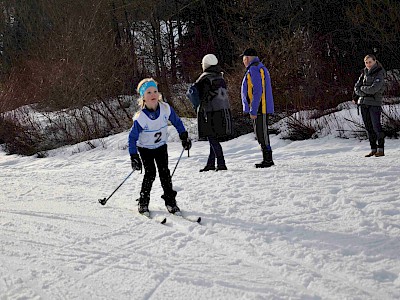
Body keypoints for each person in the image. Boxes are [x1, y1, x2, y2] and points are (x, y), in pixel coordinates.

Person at [128, 78, 192, 217]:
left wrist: (184, 136)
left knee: (165, 174)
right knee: (150, 174)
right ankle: (143, 202)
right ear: (143, 97)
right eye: (149, 92)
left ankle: (170, 202)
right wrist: (134, 156)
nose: (153, 95)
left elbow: (177, 121)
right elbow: (132, 138)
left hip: (161, 147)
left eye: (155, 91)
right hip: (145, 149)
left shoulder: (165, 108)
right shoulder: (141, 117)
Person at [186, 54, 232, 172]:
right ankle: (210, 164)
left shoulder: (205, 78)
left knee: (212, 137)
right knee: (214, 137)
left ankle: (221, 163)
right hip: (223, 110)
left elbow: (203, 96)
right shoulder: (220, 77)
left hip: (209, 111)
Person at [240, 48, 275, 168]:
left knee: (262, 133)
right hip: (259, 106)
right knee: (260, 133)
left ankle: (268, 159)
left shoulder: (254, 69)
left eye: (244, 59)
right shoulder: (256, 67)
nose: (243, 61)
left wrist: (253, 109)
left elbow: (258, 91)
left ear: (248, 58)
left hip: (261, 107)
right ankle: (266, 158)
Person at [354, 54, 386, 157]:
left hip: (374, 103)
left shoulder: (380, 72)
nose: (368, 64)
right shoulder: (364, 72)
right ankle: (373, 148)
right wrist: (363, 91)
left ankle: (381, 149)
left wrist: (362, 89)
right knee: (368, 127)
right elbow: (356, 87)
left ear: (375, 61)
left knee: (376, 126)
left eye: (370, 62)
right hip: (363, 103)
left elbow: (374, 89)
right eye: (366, 62)